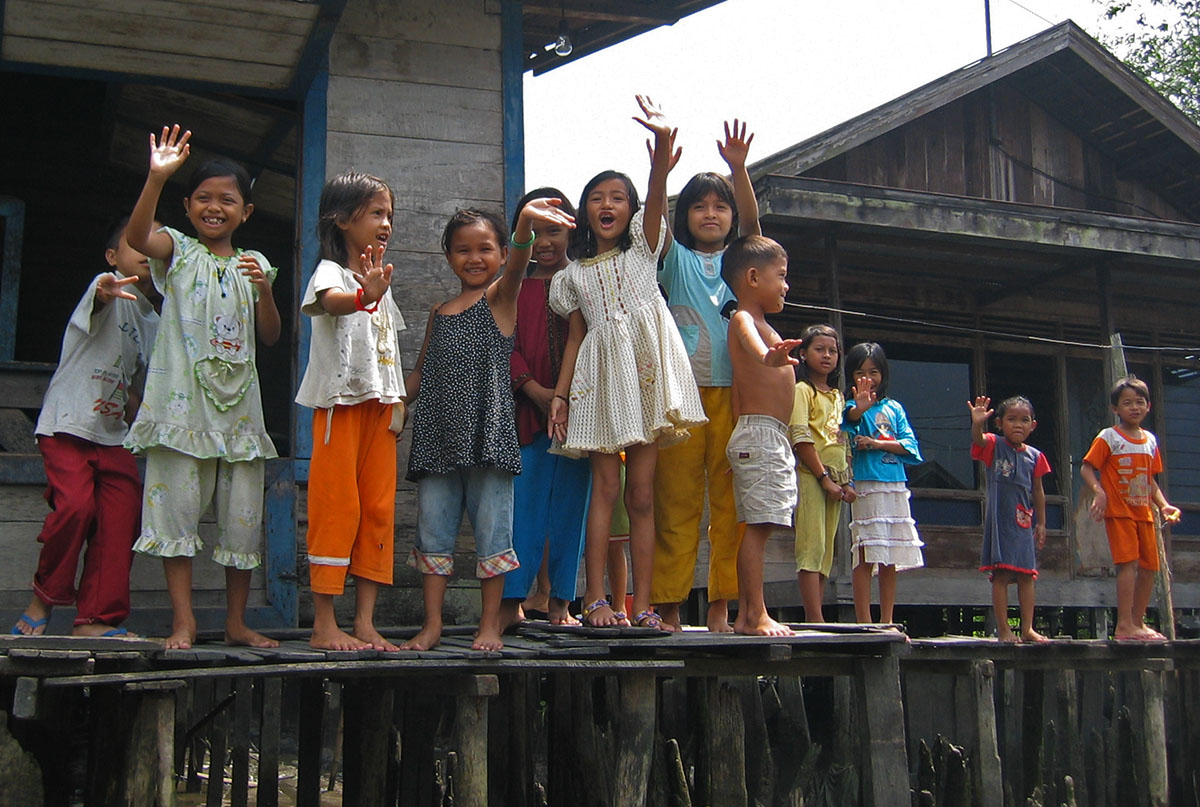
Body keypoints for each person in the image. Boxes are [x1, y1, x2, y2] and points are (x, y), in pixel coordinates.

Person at [547, 96, 707, 630]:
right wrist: (561, 397)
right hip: (598, 379)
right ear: (584, 212)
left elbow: (658, 201)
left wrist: (660, 153)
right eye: (597, 197)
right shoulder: (570, 276)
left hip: (645, 375)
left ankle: (642, 604)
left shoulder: (643, 245)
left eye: (617, 196)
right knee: (605, 490)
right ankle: (594, 600)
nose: (607, 204)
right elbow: (573, 340)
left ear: (631, 208)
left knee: (642, 494)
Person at [124, 125, 281, 650]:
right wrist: (156, 178)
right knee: (178, 517)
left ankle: (236, 621)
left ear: (247, 212)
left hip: (240, 418)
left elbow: (271, 335)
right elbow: (136, 238)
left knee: (241, 524)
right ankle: (184, 621)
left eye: (228, 200)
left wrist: (264, 292)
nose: (215, 207)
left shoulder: (254, 265)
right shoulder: (179, 251)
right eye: (204, 199)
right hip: (182, 412)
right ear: (188, 206)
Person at [403, 199, 575, 652]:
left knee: (493, 534)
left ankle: (489, 626)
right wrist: (391, 403)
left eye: (485, 249)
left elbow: (521, 263)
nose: (474, 258)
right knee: (433, 534)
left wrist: (523, 227)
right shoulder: (439, 312)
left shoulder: (500, 298)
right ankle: (433, 624)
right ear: (448, 257)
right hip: (438, 437)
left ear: (501, 256)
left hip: (489, 434)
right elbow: (420, 373)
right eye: (463, 250)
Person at [11, 217, 160, 637]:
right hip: (68, 426)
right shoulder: (107, 286)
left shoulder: (153, 322)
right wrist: (104, 291)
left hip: (113, 437)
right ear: (114, 258)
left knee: (121, 518)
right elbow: (98, 299)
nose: (147, 252)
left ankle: (96, 620)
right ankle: (43, 599)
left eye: (155, 245)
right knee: (75, 508)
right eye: (136, 245)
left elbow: (133, 388)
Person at [652, 121, 760, 633]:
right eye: (700, 206)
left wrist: (739, 169)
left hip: (734, 395)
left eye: (720, 206)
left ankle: (722, 604)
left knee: (729, 502)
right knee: (675, 501)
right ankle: (669, 605)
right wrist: (658, 170)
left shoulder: (742, 262)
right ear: (685, 216)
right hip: (681, 397)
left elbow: (755, 229)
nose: (711, 214)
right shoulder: (674, 260)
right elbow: (653, 225)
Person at [296, 172, 407, 651]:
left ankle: (363, 620)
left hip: (380, 410)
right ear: (342, 219)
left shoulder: (382, 280)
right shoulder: (331, 272)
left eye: (389, 215)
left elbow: (388, 347)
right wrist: (366, 294)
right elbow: (335, 305)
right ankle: (325, 624)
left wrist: (399, 400)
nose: (386, 223)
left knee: (378, 511)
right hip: (340, 407)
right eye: (376, 212)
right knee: (336, 508)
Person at [500, 187, 590, 628]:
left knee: (571, 506)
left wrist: (570, 396)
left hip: (580, 412)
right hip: (525, 410)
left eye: (554, 231)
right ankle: (512, 601)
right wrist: (533, 389)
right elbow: (505, 341)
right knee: (524, 505)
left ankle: (560, 603)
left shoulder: (585, 280)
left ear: (571, 229)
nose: (546, 242)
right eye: (535, 233)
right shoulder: (514, 285)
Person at [722, 235, 799, 636]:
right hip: (760, 435)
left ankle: (746, 613)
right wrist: (771, 356)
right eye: (781, 276)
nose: (786, 286)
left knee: (762, 524)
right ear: (753, 277)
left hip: (766, 436)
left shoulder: (766, 324)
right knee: (758, 526)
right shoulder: (745, 320)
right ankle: (755, 613)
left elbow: (739, 388)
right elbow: (754, 350)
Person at [1080, 375, 1181, 640]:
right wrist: (1099, 492)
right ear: (1115, 409)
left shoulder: (1150, 440)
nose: (1134, 407)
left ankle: (1138, 622)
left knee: (1150, 566)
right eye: (1127, 403)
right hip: (1120, 511)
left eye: (1139, 402)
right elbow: (1087, 467)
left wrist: (1164, 505)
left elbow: (1150, 480)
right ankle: (1124, 624)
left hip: (1144, 512)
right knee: (1128, 564)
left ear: (1148, 406)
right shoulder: (1109, 437)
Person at [843, 342, 924, 624]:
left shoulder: (894, 408)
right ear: (851, 376)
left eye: (874, 371)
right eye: (860, 372)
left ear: (884, 373)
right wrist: (859, 408)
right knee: (865, 551)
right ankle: (864, 620)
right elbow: (848, 423)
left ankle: (887, 619)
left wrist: (877, 443)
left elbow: (911, 446)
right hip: (866, 484)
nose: (868, 378)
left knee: (889, 554)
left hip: (895, 484)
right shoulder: (852, 405)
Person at [969, 395, 1050, 643]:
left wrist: (1042, 523)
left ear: (1033, 425)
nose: (1018, 425)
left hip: (1024, 521)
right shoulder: (995, 445)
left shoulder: (1036, 456)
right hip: (1000, 520)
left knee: (1027, 575)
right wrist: (977, 423)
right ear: (1000, 423)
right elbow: (978, 440)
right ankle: (1004, 629)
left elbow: (1038, 490)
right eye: (1012, 419)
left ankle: (1027, 629)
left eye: (1024, 420)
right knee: (1001, 574)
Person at [789, 324, 853, 623]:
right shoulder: (803, 390)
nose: (827, 356)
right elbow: (800, 435)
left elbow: (843, 440)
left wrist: (846, 480)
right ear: (803, 354)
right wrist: (823, 477)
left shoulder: (838, 396)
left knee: (827, 551)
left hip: (837, 481)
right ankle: (813, 616)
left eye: (832, 351)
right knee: (811, 546)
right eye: (819, 349)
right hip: (812, 476)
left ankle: (819, 616)